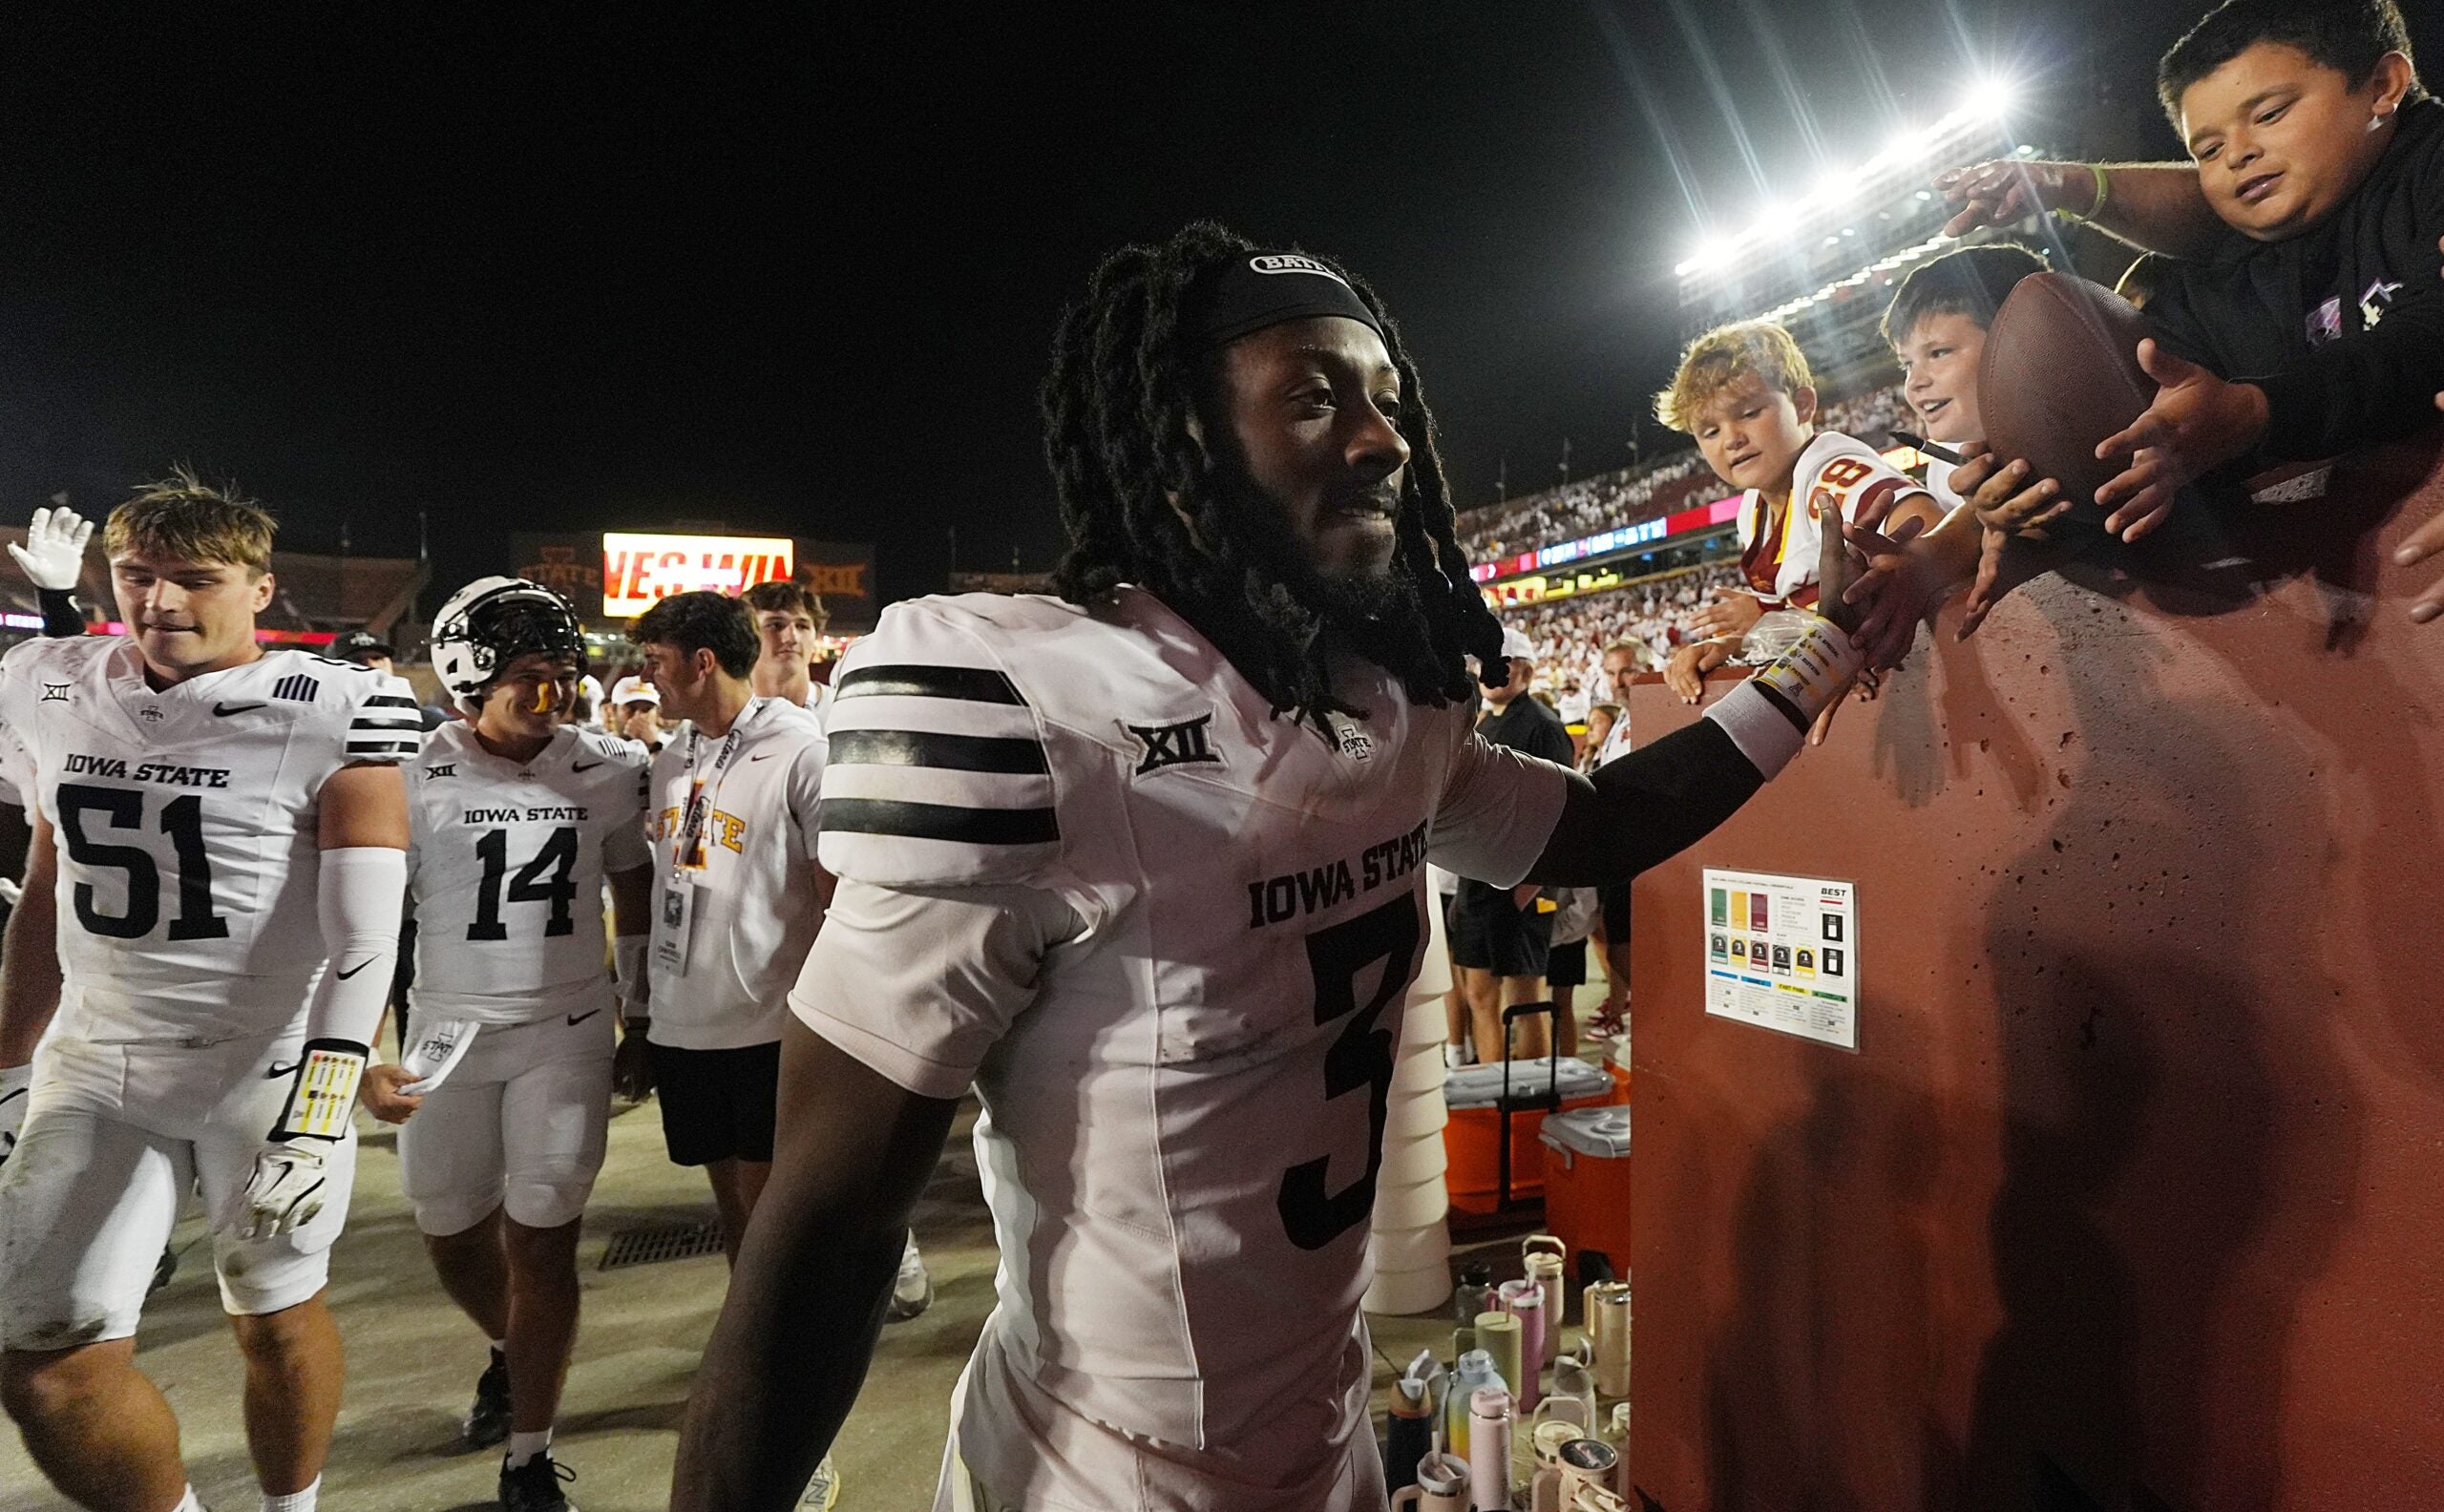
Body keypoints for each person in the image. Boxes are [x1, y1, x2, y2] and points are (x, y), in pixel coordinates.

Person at [669, 222, 1873, 1512]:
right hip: (1099, 1481)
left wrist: (1834, 641)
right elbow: (824, 1243)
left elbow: (1598, 829)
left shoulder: (1385, 707)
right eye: (1311, 397)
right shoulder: (1034, 701)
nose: (1379, 436)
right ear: (1186, 440)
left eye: (1384, 397)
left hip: (1326, 1448)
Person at [0, 470, 418, 1512]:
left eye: (196, 578)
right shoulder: (49, 679)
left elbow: (365, 932)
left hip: (263, 1066)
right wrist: (8, 1062)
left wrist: (321, 1114)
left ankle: (293, 1508)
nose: (162, 601)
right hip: (97, 1062)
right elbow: (48, 890)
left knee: (274, 1317)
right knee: (42, 1365)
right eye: (138, 575)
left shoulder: (339, 706)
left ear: (261, 589)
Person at [356, 578, 654, 1512]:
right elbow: (366, 924)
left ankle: (530, 1453)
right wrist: (362, 1049)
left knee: (543, 1244)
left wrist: (638, 1017)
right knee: (448, 1232)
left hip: (563, 1033)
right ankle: (508, 1348)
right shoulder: (407, 770)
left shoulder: (607, 764)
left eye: (564, 673)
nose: (554, 693)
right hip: (444, 1034)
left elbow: (635, 897)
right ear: (467, 679)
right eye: (529, 675)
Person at [627, 590, 843, 1509]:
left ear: (702, 662)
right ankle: (767, 1392)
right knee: (740, 1232)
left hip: (766, 1025)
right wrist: (639, 1015)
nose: (647, 675)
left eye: (658, 659)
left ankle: (793, 1430)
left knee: (773, 1249)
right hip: (686, 1023)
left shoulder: (800, 750)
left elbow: (839, 892)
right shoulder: (670, 754)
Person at [1654, 321, 1955, 702]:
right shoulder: (1754, 507)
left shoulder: (1831, 475)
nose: (1732, 439)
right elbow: (1809, 615)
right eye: (1710, 432)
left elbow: (1936, 540)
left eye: (1749, 413)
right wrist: (1742, 640)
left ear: (1802, 405)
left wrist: (1768, 620)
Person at [1449, 627, 1574, 1065]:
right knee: (1480, 993)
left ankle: (1530, 1097)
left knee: (1524, 999)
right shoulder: (1483, 721)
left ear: (1524, 668)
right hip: (1480, 878)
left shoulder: (1542, 726)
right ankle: (1492, 1088)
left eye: (1498, 663)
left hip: (1523, 883)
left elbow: (1562, 812)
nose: (1486, 672)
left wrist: (1533, 886)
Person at [743, 579, 831, 721]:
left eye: (802, 626)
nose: (792, 638)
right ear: (746, 635)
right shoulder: (721, 717)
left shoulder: (845, 709)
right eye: (776, 625)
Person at [609, 674, 669, 752]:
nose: (638, 716)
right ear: (614, 709)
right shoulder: (598, 746)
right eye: (631, 708)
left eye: (646, 709)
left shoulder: (672, 746)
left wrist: (654, 745)